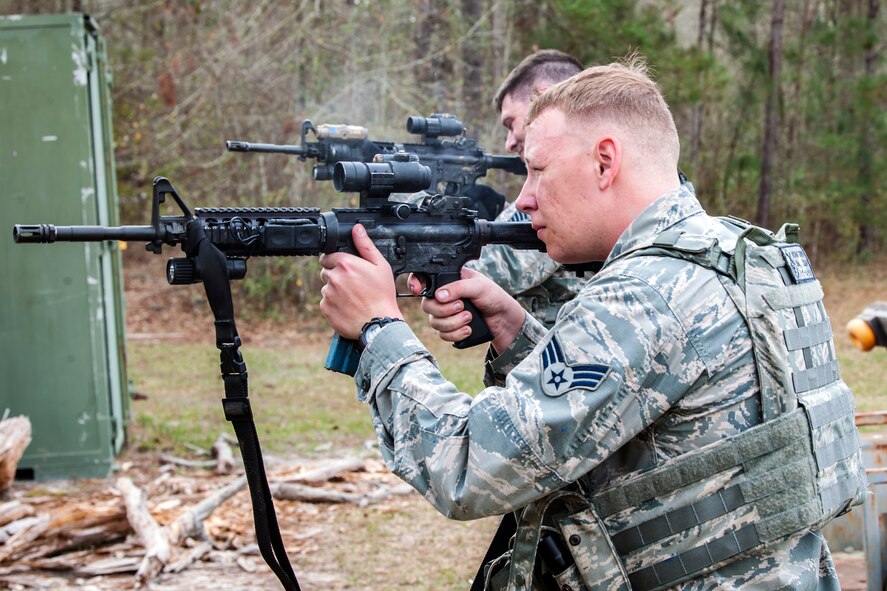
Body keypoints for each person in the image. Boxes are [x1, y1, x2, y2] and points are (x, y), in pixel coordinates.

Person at [318, 55, 866, 590]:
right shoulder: (745, 254)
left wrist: (378, 330)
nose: (525, 199)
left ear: (605, 161)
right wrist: (517, 333)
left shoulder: (645, 296)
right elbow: (648, 416)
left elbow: (470, 466)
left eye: (537, 171)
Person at [465, 49, 587, 328]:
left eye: (511, 123)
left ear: (543, 98)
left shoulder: (571, 182)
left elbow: (486, 271)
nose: (508, 143)